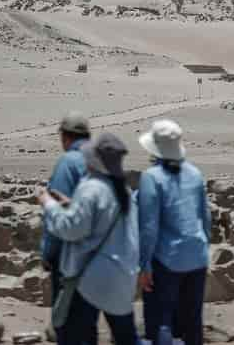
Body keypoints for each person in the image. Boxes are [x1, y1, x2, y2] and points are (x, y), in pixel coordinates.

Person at [38, 133, 139, 345]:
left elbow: (72, 229)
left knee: (81, 336)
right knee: (125, 336)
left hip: (91, 279)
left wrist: (49, 205)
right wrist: (71, 205)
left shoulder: (90, 188)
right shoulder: (124, 190)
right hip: (122, 276)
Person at [137, 120, 211, 345]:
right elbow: (205, 219)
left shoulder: (151, 177)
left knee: (161, 320)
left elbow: (149, 226)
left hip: (166, 259)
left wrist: (144, 265)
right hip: (197, 257)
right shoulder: (195, 174)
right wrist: (203, 249)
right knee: (192, 321)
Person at [41, 111, 91, 303]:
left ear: (65, 136)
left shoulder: (68, 162)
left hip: (70, 256)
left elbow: (57, 211)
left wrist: (48, 252)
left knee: (66, 320)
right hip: (100, 254)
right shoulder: (101, 161)